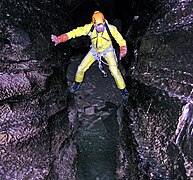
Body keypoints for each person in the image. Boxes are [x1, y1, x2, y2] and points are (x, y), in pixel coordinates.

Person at [51, 11, 129, 100]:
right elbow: (75, 33)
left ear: (104, 22)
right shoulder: (89, 28)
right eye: (98, 26)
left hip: (108, 51)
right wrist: (60, 39)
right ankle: (77, 83)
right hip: (94, 51)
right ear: (94, 24)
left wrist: (123, 49)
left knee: (115, 71)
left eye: (101, 25)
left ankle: (123, 89)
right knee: (81, 68)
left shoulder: (111, 29)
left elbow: (120, 40)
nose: (100, 28)